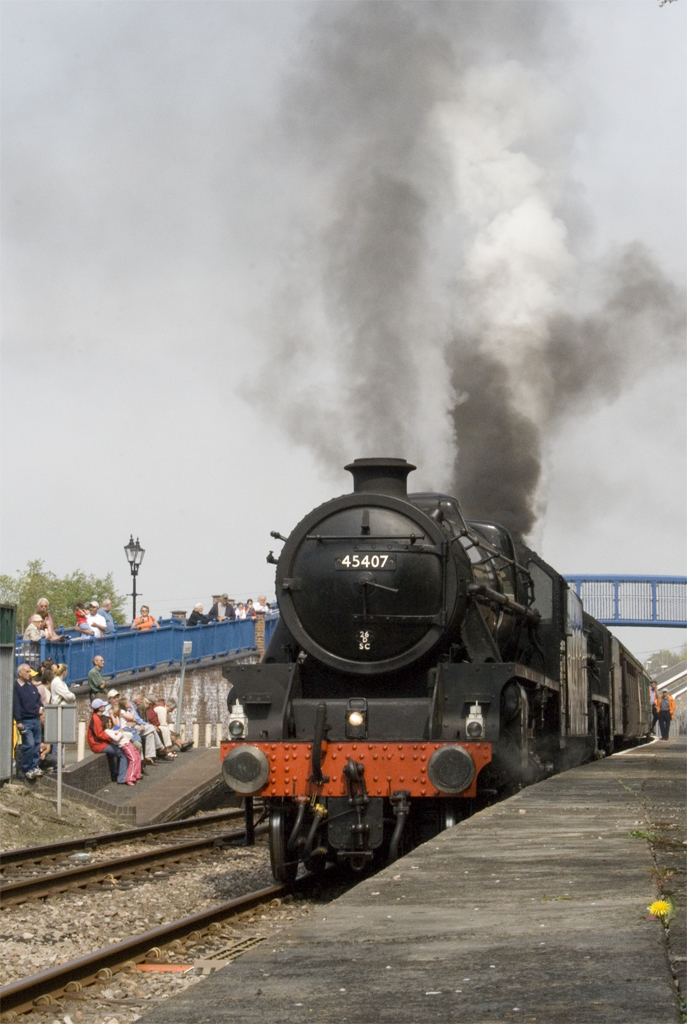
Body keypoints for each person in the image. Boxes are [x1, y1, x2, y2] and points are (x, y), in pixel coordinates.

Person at [13, 663, 44, 779]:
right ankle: (26, 768)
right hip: (25, 720)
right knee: (29, 744)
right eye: (26, 672)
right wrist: (19, 721)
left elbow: (38, 699)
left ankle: (35, 766)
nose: (29, 674)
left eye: (29, 671)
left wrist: (40, 708)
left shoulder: (31, 685)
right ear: (20, 673)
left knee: (36, 744)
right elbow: (16, 705)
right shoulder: (16, 687)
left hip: (35, 719)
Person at [86, 699, 129, 784]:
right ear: (99, 708)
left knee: (118, 752)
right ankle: (121, 778)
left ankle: (117, 773)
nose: (104, 707)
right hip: (98, 745)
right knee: (123, 754)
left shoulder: (95, 717)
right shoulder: (96, 719)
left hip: (98, 743)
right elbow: (100, 734)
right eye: (103, 706)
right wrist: (112, 737)